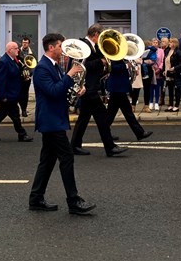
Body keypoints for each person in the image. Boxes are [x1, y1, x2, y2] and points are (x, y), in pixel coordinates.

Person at [29, 32, 95, 215]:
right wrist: (70, 74)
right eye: (60, 46)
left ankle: (36, 198)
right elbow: (52, 91)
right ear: (51, 47)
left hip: (56, 118)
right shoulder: (42, 68)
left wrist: (77, 90)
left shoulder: (55, 66)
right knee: (66, 157)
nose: (63, 50)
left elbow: (62, 90)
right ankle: (73, 202)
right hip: (50, 121)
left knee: (48, 160)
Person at [70, 24, 126, 157]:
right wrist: (101, 62)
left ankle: (75, 145)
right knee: (101, 117)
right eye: (100, 36)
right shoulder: (83, 45)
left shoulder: (93, 46)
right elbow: (82, 66)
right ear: (95, 35)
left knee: (84, 118)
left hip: (91, 87)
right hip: (88, 88)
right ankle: (110, 147)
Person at [0, 41, 33, 143]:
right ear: (10, 50)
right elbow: (1, 80)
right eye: (16, 48)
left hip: (12, 93)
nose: (18, 50)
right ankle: (22, 134)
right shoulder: (4, 61)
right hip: (8, 95)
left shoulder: (13, 60)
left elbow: (14, 75)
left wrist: (23, 77)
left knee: (2, 115)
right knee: (14, 116)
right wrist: (2, 96)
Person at [105, 59, 153, 142]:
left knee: (111, 113)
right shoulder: (113, 55)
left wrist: (133, 69)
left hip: (119, 87)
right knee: (128, 113)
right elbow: (113, 67)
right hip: (117, 87)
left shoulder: (121, 56)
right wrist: (127, 66)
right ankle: (140, 133)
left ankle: (105, 133)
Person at [163, 37, 181, 112]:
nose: (169, 43)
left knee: (177, 89)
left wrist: (175, 68)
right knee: (170, 89)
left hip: (176, 73)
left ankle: (176, 106)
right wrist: (164, 70)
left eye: (170, 42)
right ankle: (170, 105)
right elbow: (166, 62)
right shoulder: (168, 51)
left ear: (174, 43)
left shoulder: (178, 52)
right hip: (169, 73)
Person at [18, 37, 34, 117]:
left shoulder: (31, 53)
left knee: (25, 94)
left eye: (26, 42)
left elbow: (33, 64)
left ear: (29, 43)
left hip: (27, 76)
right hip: (20, 76)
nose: (24, 44)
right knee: (20, 93)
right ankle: (21, 109)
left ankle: (24, 109)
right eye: (23, 42)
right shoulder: (18, 52)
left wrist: (30, 74)